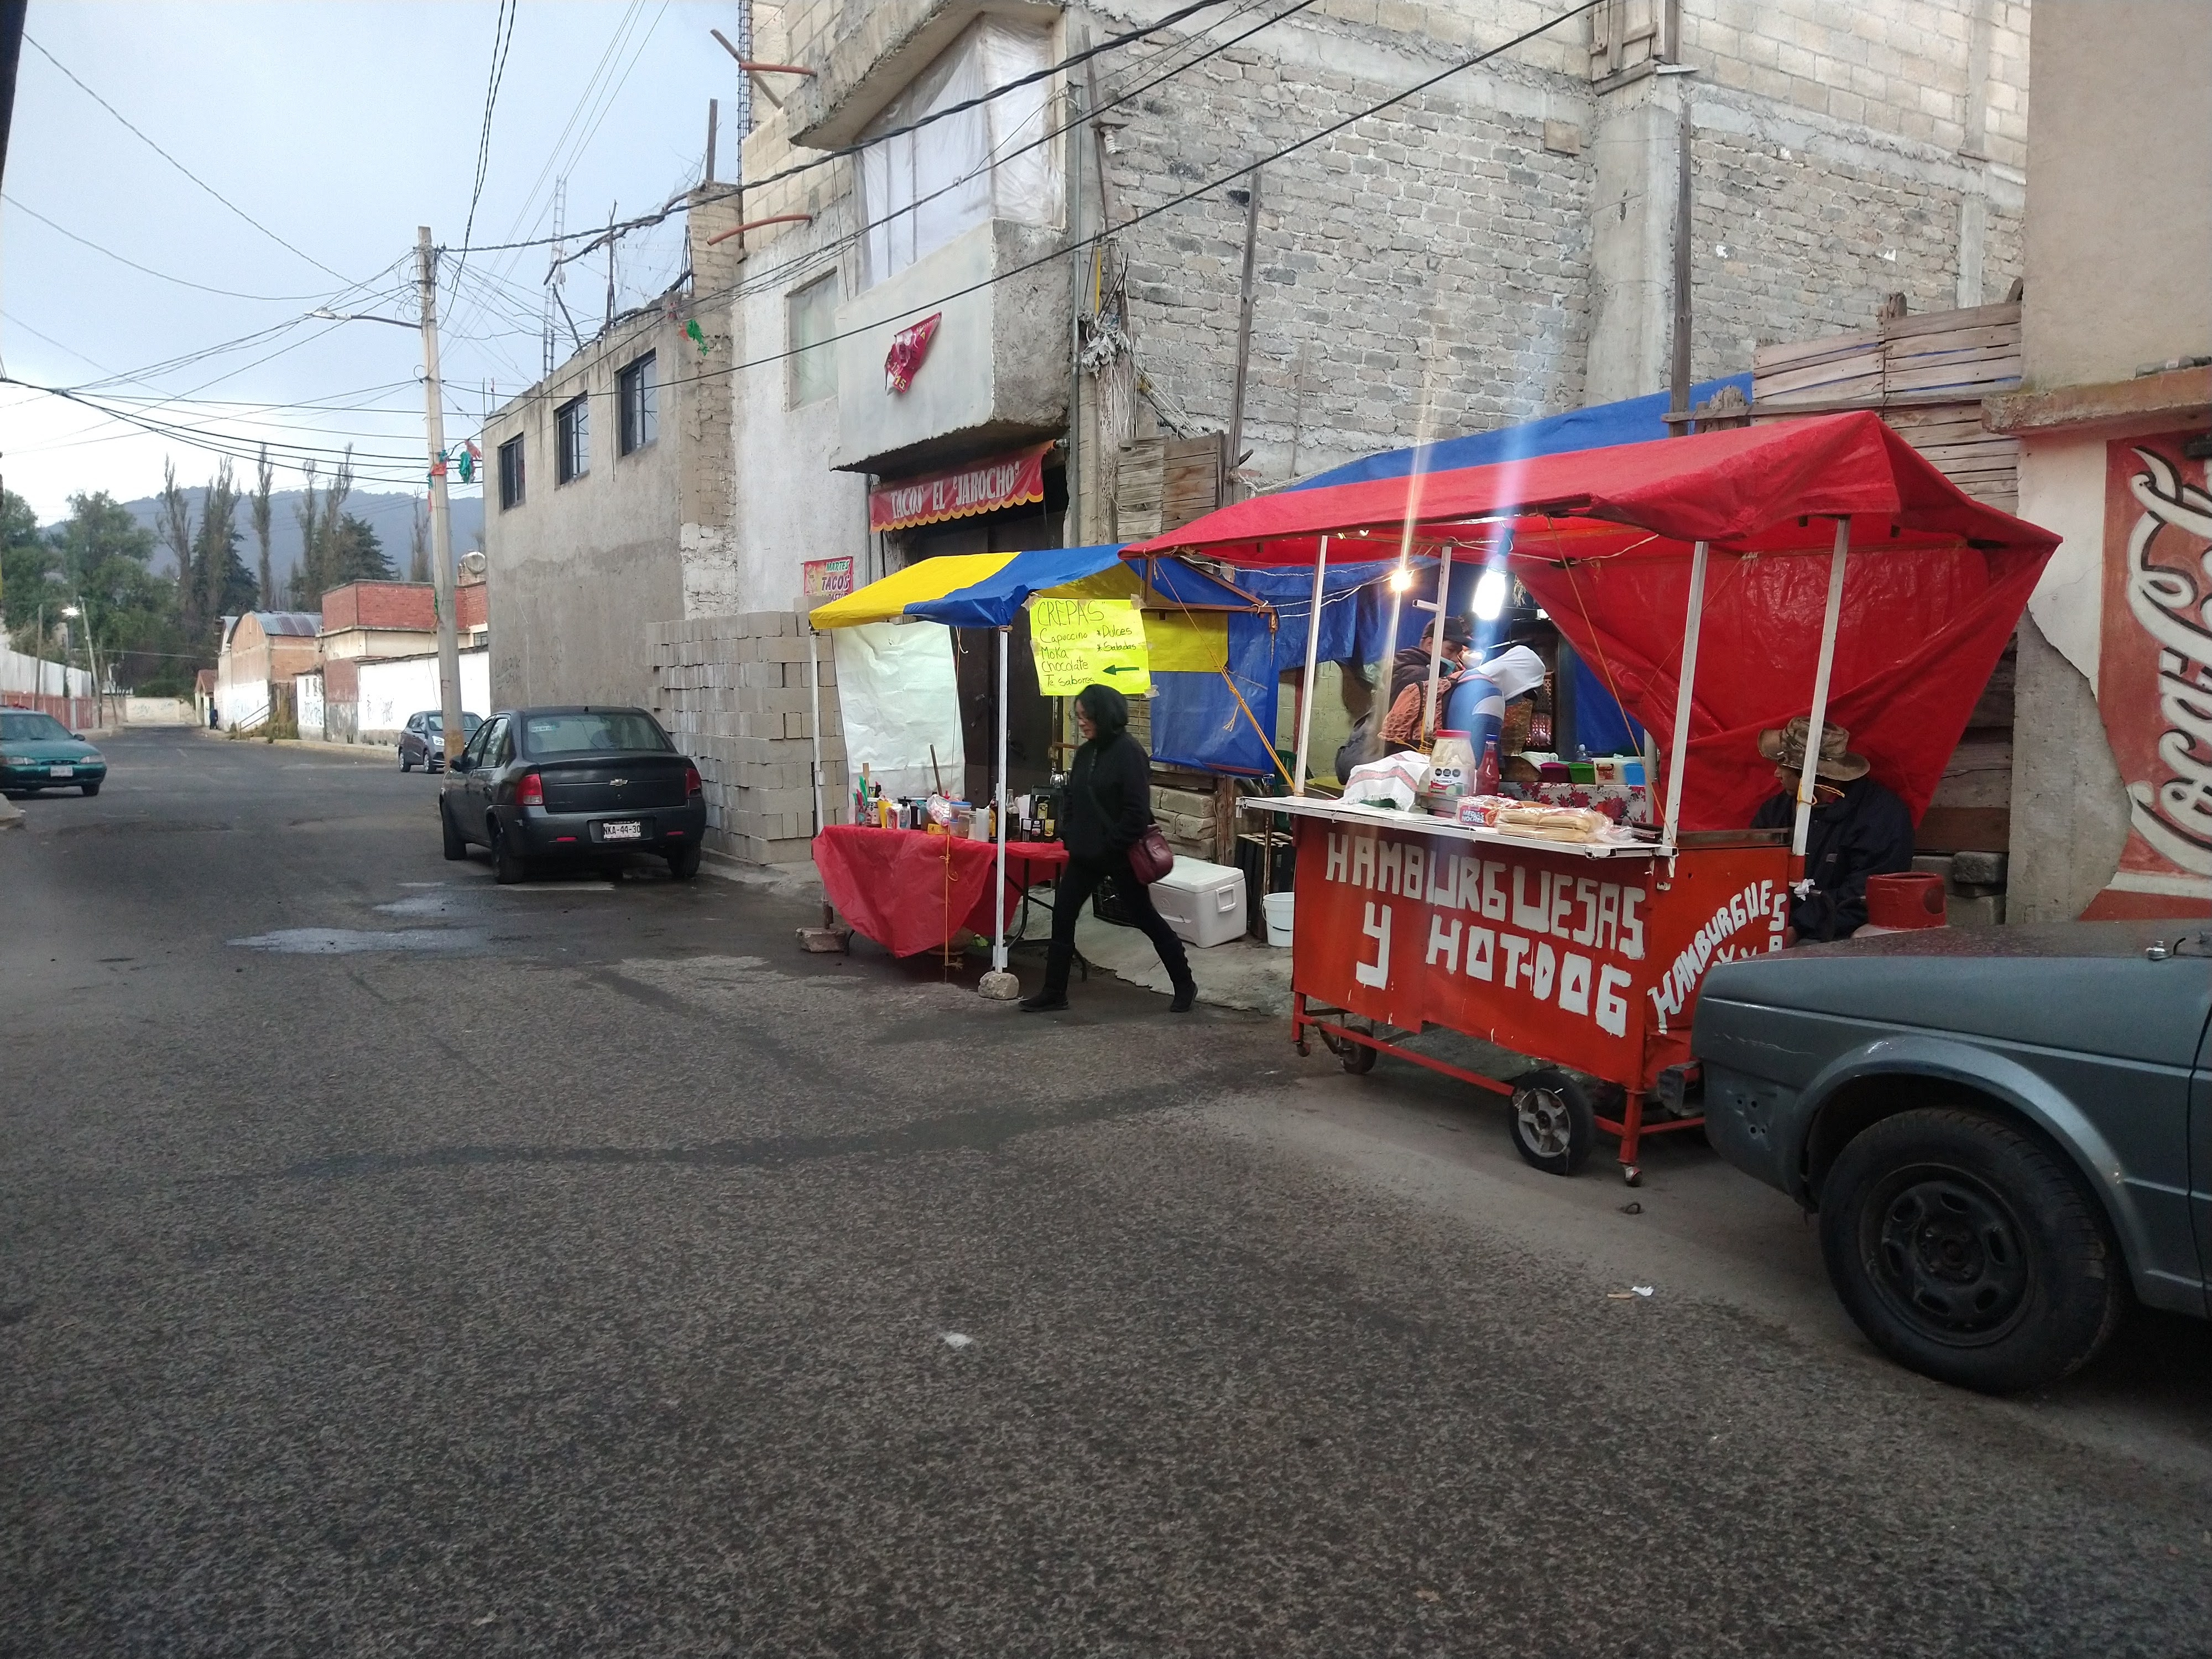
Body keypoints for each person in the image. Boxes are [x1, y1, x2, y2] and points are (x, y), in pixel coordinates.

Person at [1022, 682, 1196, 1014]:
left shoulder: (1129, 753)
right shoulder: (1086, 752)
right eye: (1078, 717)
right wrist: (1069, 833)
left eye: (1086, 717)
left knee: (1145, 918)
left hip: (1121, 857)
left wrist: (1111, 846)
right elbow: (1073, 796)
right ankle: (1054, 991)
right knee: (1063, 914)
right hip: (1086, 855)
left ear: (1104, 715)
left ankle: (1184, 984)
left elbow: (1135, 812)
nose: (1082, 723)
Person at [1749, 716, 1914, 942]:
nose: (1776, 774)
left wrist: (1798, 928)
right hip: (1774, 925)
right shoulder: (1775, 811)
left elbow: (1865, 896)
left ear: (1812, 776)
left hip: (1843, 940)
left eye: (1783, 766)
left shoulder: (1882, 817)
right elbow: (1751, 874)